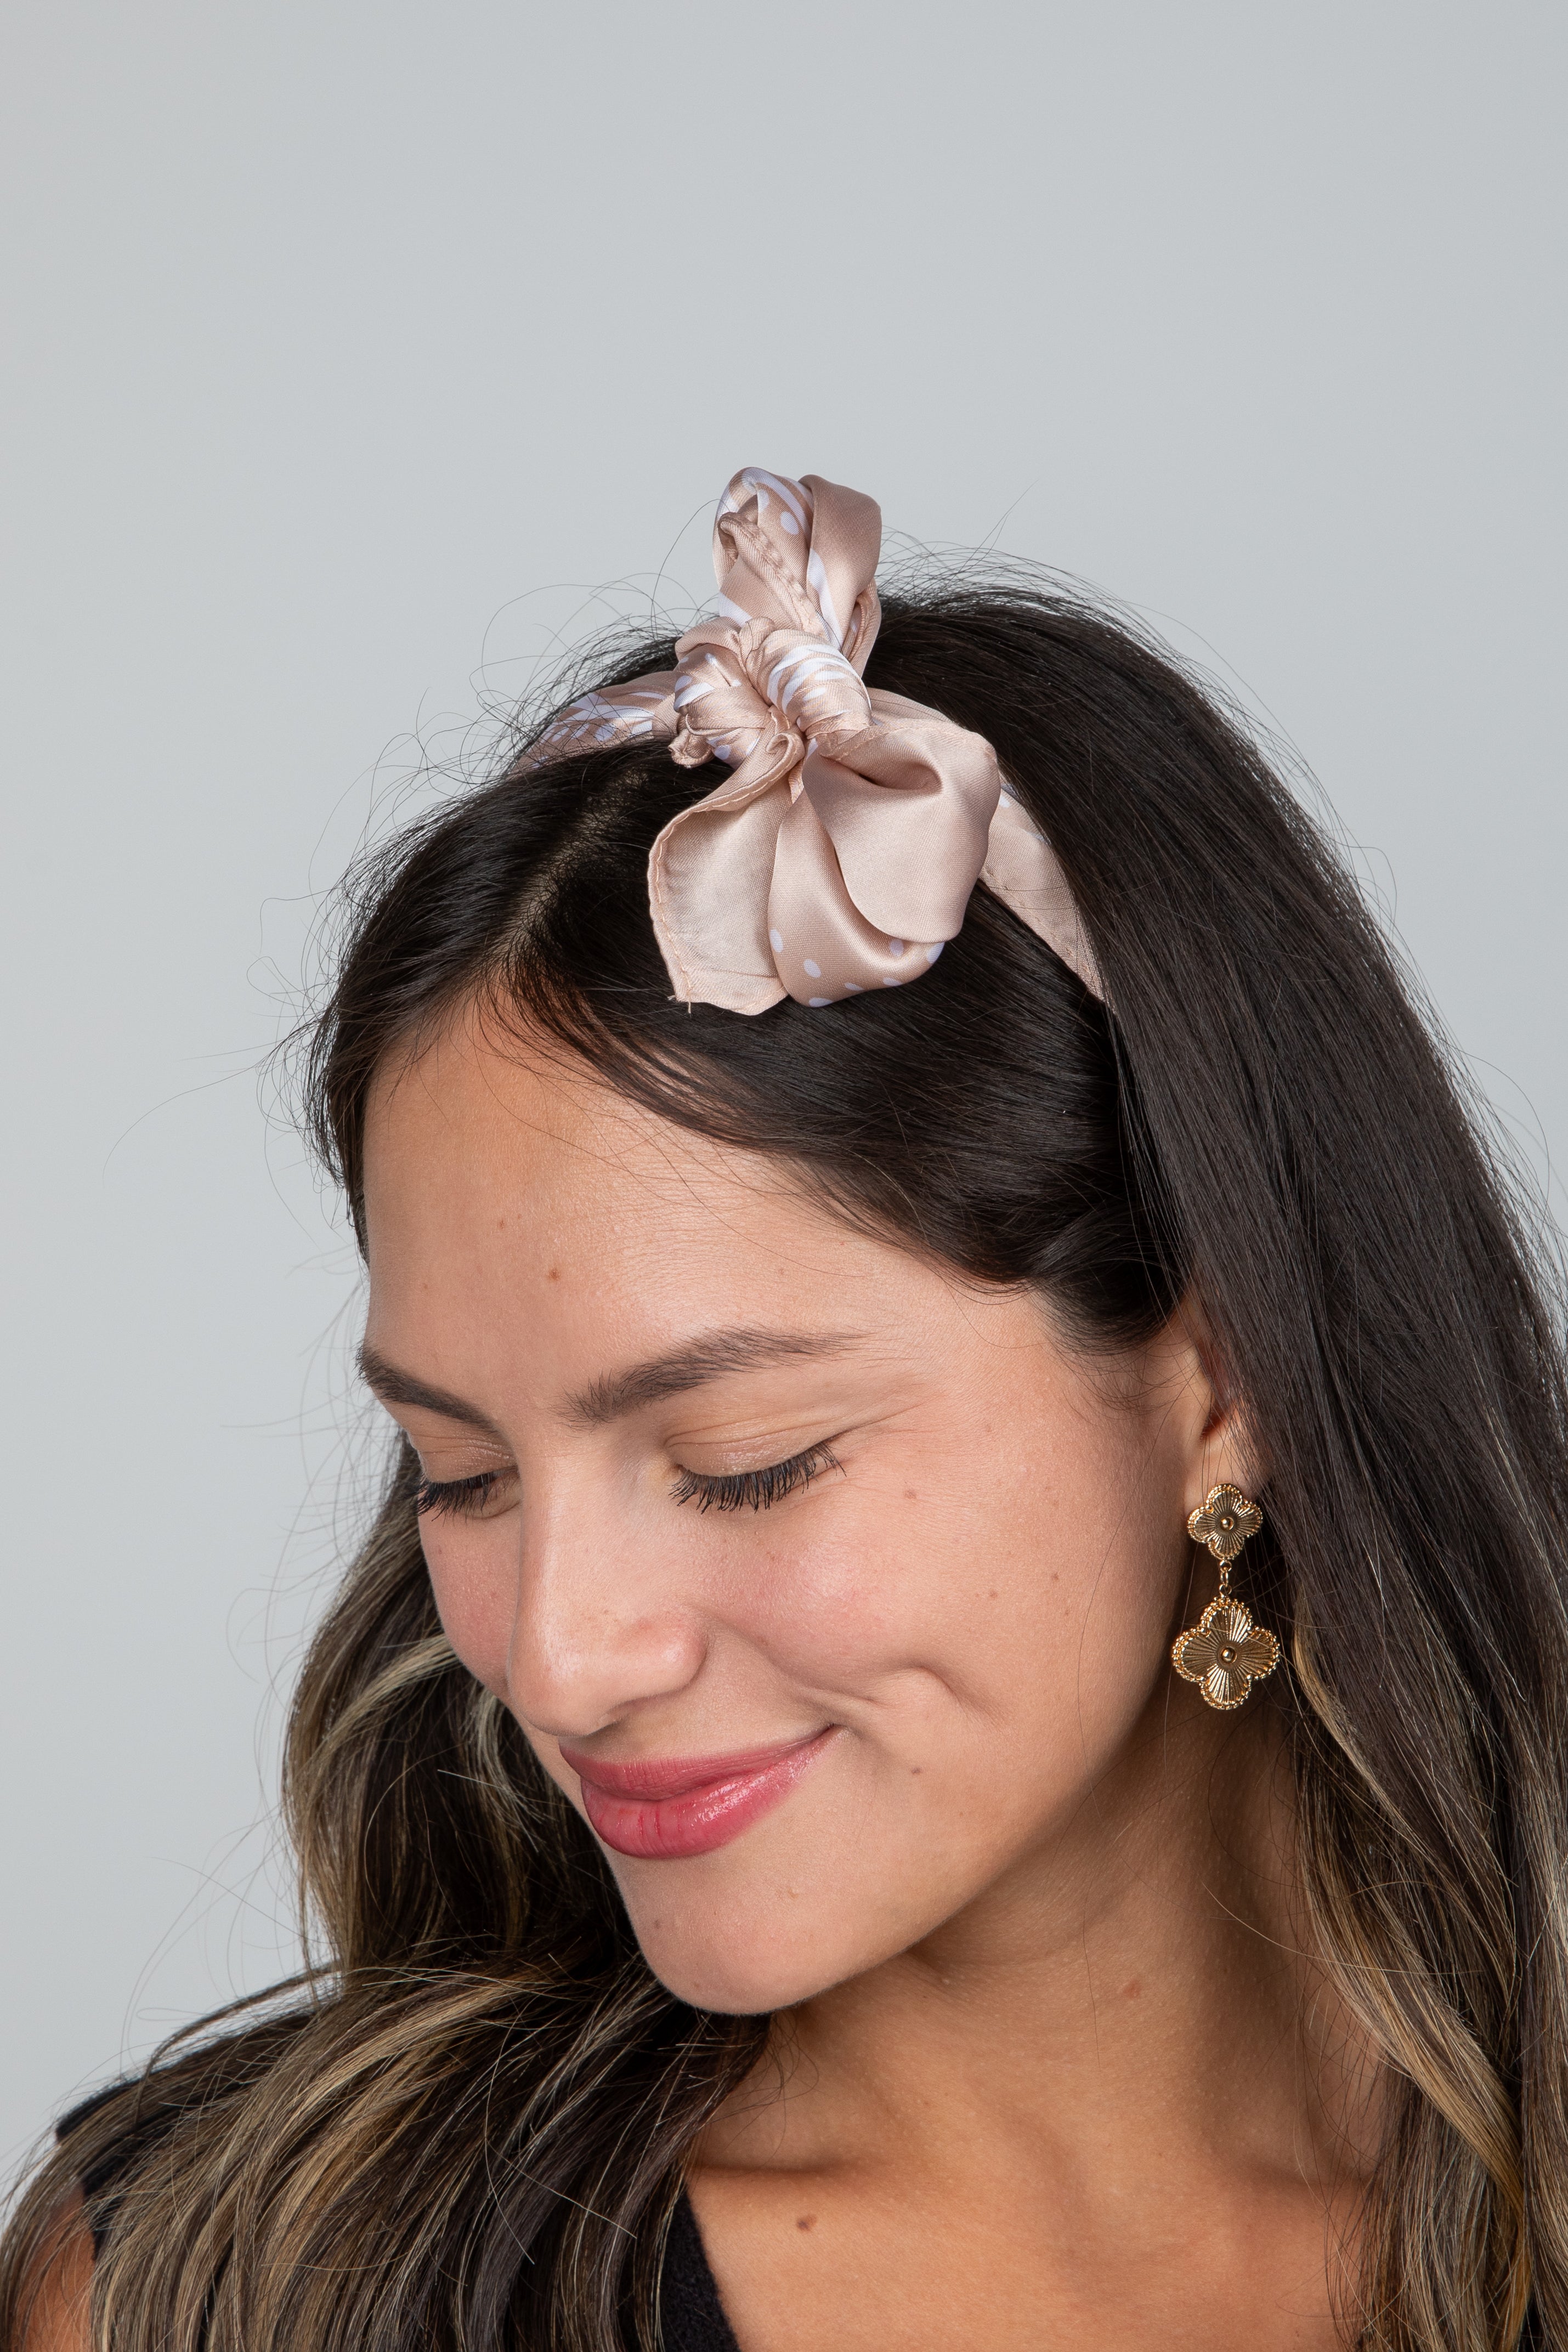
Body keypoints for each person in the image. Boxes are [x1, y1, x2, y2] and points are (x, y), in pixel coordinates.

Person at [5, 467, 1566, 2352]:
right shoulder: (232, 2295)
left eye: (745, 1464)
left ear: (1221, 1376)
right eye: (465, 1473)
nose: (562, 1662)